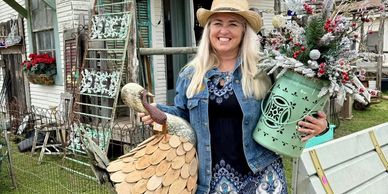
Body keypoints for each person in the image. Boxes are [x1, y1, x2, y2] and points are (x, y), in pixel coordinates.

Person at [139, 0, 328, 193]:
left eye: (233, 24)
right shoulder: (190, 74)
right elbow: (182, 116)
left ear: (244, 31)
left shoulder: (265, 69)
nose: (224, 30)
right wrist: (158, 114)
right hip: (213, 180)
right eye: (217, 23)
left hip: (263, 176)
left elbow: (293, 107)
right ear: (209, 29)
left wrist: (321, 126)